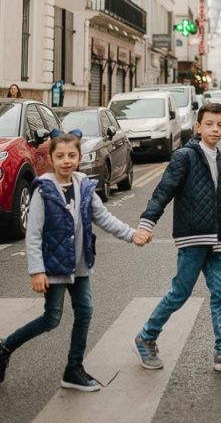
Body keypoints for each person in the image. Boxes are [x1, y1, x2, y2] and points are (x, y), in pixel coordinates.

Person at [133, 101, 221, 375]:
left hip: (215, 239)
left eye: (220, 125)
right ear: (198, 126)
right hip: (193, 238)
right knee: (180, 293)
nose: (215, 129)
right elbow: (163, 191)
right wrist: (147, 223)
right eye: (209, 124)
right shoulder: (184, 157)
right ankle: (146, 337)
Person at [0, 132, 148, 391]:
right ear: (50, 159)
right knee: (51, 319)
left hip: (79, 264)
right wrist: (36, 271)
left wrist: (131, 234)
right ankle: (6, 346)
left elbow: (104, 218)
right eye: (60, 156)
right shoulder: (43, 190)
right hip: (53, 266)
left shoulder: (84, 186)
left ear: (79, 158)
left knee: (85, 312)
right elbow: (33, 234)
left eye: (71, 155)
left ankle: (73, 368)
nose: (66, 161)